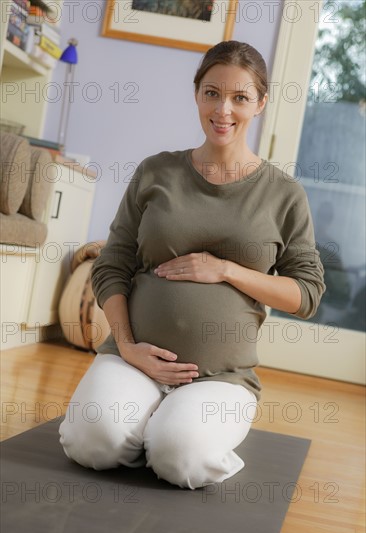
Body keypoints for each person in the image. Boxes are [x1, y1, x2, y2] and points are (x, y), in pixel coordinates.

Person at [59, 41, 325, 490]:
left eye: (240, 97)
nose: (223, 109)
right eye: (212, 93)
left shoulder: (284, 194)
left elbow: (307, 295)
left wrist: (226, 270)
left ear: (260, 103)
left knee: (181, 458)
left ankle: (170, 436)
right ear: (197, 94)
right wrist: (125, 345)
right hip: (134, 359)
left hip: (220, 375)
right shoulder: (155, 172)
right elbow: (112, 265)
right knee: (91, 443)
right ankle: (147, 426)